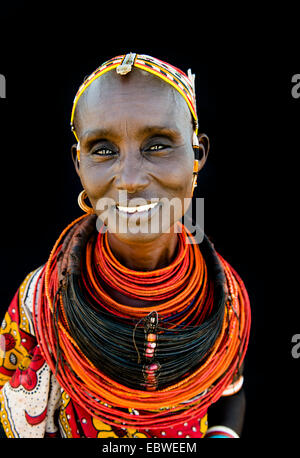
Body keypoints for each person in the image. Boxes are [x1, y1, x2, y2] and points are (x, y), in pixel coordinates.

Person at [0, 53, 251, 439]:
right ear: (78, 164)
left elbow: (228, 392)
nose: (130, 179)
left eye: (157, 145)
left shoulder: (226, 300)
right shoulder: (38, 307)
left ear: (197, 155)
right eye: (103, 149)